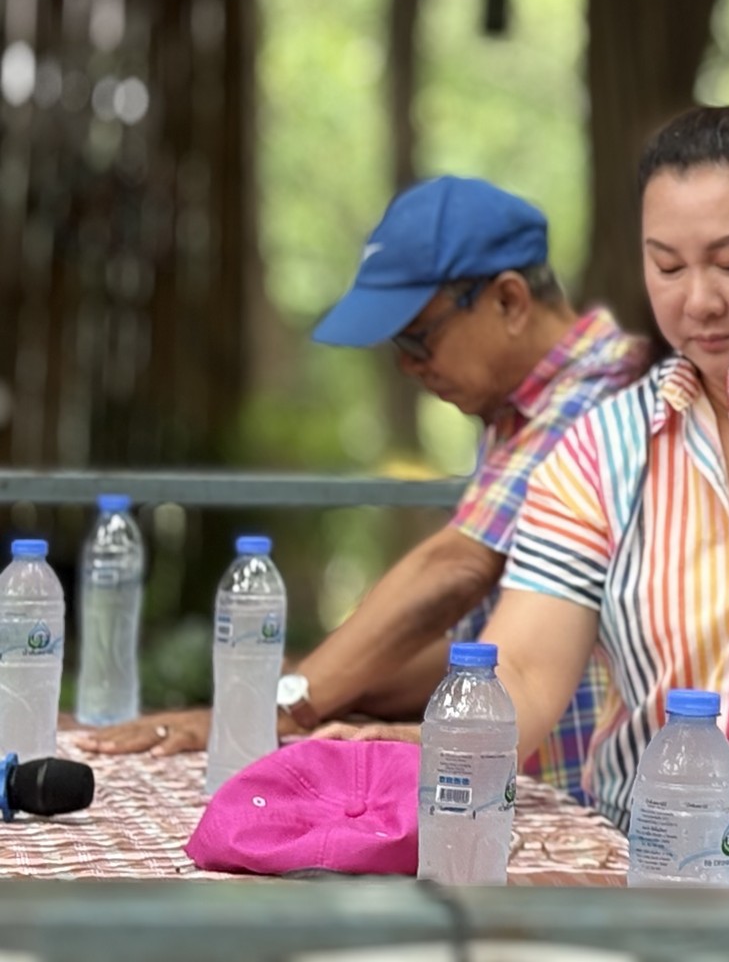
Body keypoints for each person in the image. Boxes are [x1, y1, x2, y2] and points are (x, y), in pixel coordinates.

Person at [324, 97, 729, 886]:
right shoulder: (601, 449)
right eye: (667, 266)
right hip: (652, 895)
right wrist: (424, 742)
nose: (698, 301)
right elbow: (524, 670)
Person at [85, 176, 647, 801]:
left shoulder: (600, 396)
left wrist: (280, 706)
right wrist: (294, 684)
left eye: (418, 336)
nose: (408, 365)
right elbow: (479, 649)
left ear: (510, 301)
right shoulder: (515, 414)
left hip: (598, 807)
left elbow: (456, 568)